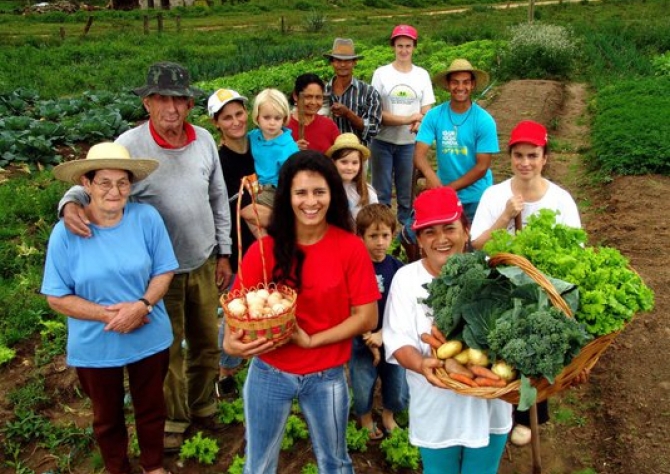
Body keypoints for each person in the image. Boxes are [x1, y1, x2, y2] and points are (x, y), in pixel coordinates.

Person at [59, 61, 233, 452]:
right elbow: (95, 181)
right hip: (157, 272)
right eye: (161, 100)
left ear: (190, 105)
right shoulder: (131, 146)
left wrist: (224, 252)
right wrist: (69, 203)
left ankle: (204, 403)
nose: (171, 108)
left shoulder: (204, 140)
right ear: (147, 103)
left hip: (203, 261)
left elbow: (218, 197)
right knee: (167, 350)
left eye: (179, 100)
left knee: (206, 341)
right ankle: (175, 417)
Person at [223, 150, 381, 474]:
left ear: (332, 194)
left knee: (335, 463)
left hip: (327, 375)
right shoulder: (264, 251)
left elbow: (367, 317)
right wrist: (231, 344)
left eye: (319, 191)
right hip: (269, 371)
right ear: (287, 197)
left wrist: (311, 341)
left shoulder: (349, 247)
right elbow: (236, 317)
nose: (311, 201)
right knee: (259, 464)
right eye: (301, 192)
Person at [42, 142, 178, 474]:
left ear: (131, 185)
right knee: (106, 417)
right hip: (96, 341)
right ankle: (117, 467)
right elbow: (57, 296)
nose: (114, 191)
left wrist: (143, 306)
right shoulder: (66, 233)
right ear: (85, 185)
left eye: (122, 182)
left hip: (149, 332)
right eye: (104, 182)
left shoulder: (146, 217)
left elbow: (164, 270)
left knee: (151, 407)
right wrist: (111, 315)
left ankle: (153, 465)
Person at [383, 186, 512, 474]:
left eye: (449, 228)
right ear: (419, 240)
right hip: (436, 410)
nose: (441, 239)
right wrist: (420, 362)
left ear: (466, 231)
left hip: (489, 406)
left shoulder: (493, 272)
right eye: (429, 231)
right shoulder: (406, 279)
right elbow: (398, 339)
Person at [470, 120, 581, 446]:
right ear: (511, 157)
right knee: (500, 344)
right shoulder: (495, 195)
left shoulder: (560, 200)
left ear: (544, 157)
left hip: (547, 290)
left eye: (533, 155)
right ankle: (500, 409)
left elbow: (576, 253)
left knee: (536, 347)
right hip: (501, 285)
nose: (525, 163)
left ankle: (528, 412)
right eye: (519, 155)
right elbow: (476, 246)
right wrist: (505, 217)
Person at [207, 88, 255, 399]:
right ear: (217, 123)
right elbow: (214, 209)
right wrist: (222, 254)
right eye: (227, 117)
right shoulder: (217, 161)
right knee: (237, 312)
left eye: (239, 114)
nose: (236, 121)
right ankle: (225, 371)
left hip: (270, 242)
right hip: (238, 246)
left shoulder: (261, 145)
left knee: (268, 305)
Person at [413, 58, 499, 223]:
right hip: (443, 193)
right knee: (422, 237)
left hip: (476, 197)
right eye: (455, 82)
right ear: (448, 84)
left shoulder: (483, 120)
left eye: (466, 82)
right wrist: (431, 176)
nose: (460, 87)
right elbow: (419, 154)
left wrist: (448, 189)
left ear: (472, 85)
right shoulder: (434, 115)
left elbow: (482, 167)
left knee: (474, 245)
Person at [350, 203, 407, 441]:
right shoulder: (353, 268)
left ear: (393, 235)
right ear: (360, 237)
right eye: (373, 236)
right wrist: (369, 339)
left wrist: (383, 333)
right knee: (362, 384)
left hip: (392, 337)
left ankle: (388, 415)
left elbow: (403, 308)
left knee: (396, 383)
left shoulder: (398, 269)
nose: (380, 242)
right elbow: (351, 308)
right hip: (361, 340)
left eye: (385, 235)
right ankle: (364, 418)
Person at [371, 24, 435, 225]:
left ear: (414, 47)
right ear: (393, 46)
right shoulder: (381, 74)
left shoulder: (421, 75)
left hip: (409, 143)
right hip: (382, 141)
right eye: (400, 45)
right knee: (382, 193)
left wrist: (420, 121)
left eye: (408, 45)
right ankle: (383, 231)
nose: (404, 50)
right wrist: (408, 119)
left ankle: (406, 236)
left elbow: (427, 110)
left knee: (406, 194)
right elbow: (376, 112)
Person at [245, 87, 300, 237]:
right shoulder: (254, 136)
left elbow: (293, 176)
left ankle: (266, 242)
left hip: (277, 188)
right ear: (257, 118)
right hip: (257, 185)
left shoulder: (287, 146)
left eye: (277, 118)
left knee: (249, 211)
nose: (272, 123)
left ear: (284, 118)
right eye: (267, 117)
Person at [324, 38, 382, 147]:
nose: (342, 65)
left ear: (354, 62)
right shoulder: (323, 92)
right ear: (332, 62)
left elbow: (373, 129)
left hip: (357, 155)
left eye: (347, 61)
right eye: (338, 60)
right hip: (329, 154)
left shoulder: (369, 92)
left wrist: (348, 114)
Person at [325, 133, 378, 220]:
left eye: (355, 163)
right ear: (333, 162)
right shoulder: (325, 189)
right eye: (344, 162)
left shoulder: (368, 191)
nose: (349, 168)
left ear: (360, 164)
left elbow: (375, 220)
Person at [287, 73, 340, 153]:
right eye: (308, 97)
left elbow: (340, 156)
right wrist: (291, 149)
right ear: (295, 96)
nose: (313, 102)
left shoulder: (329, 126)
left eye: (318, 97)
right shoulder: (283, 126)